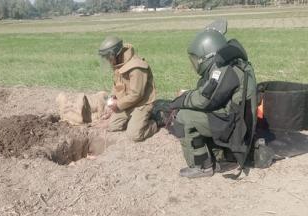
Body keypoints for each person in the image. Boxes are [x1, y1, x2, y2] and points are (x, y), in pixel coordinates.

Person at [169, 20, 257, 178]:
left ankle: (202, 166)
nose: (196, 63)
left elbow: (204, 99)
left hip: (235, 125)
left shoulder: (224, 69)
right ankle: (219, 155)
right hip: (236, 119)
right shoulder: (230, 63)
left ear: (208, 54)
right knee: (190, 109)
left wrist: (180, 100)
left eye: (197, 59)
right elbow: (212, 95)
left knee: (184, 117)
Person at [98, 36, 158, 141]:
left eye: (108, 57)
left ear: (116, 54)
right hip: (128, 102)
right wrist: (112, 98)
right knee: (113, 126)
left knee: (134, 135)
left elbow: (137, 94)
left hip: (142, 103)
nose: (108, 60)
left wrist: (118, 105)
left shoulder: (136, 67)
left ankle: (155, 122)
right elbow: (117, 85)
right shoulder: (118, 63)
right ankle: (135, 120)